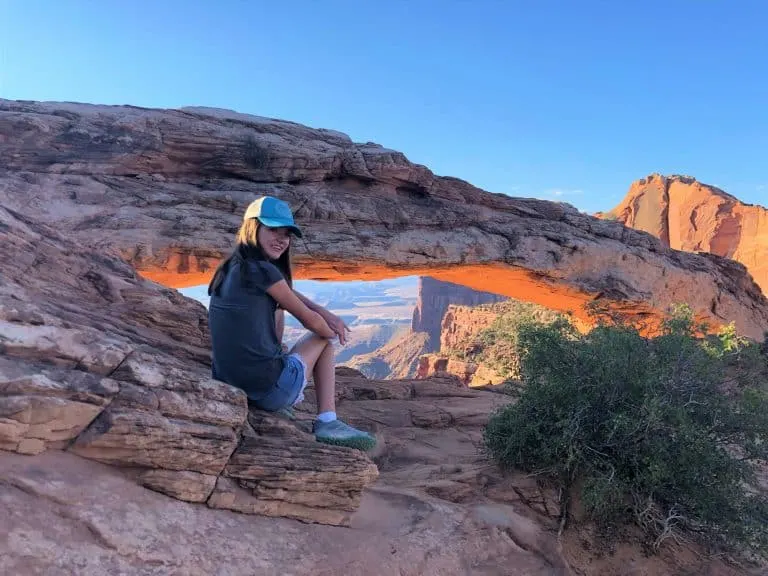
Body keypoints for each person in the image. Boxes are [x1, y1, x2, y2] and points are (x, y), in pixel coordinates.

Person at [207, 195, 376, 451]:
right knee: (324, 339)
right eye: (273, 229)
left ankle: (284, 384)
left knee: (277, 311)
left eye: (286, 233)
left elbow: (285, 293)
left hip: (230, 382)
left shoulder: (232, 267)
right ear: (253, 227)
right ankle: (328, 420)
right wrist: (330, 325)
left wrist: (322, 310)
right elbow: (313, 324)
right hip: (267, 390)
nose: (281, 239)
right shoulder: (265, 271)